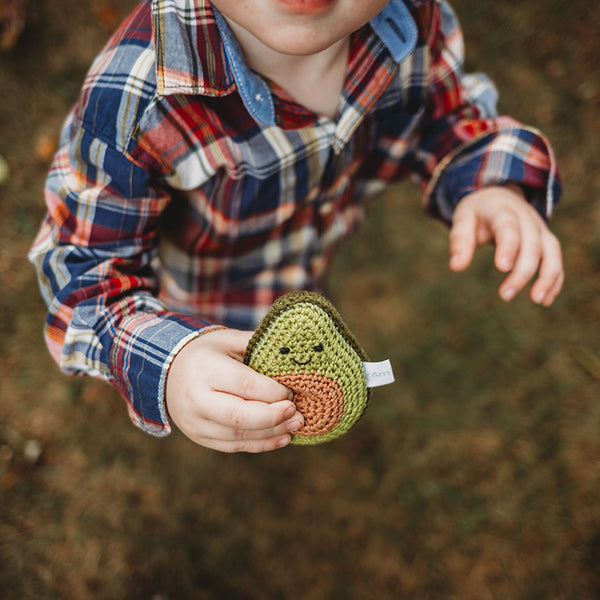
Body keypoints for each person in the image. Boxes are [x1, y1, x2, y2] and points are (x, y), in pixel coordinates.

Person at [29, 0, 564, 453]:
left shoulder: (413, 19)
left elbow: (447, 111)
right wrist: (170, 363)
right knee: (232, 397)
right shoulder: (134, 99)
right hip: (206, 303)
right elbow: (86, 276)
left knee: (304, 330)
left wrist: (486, 175)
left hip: (314, 248)